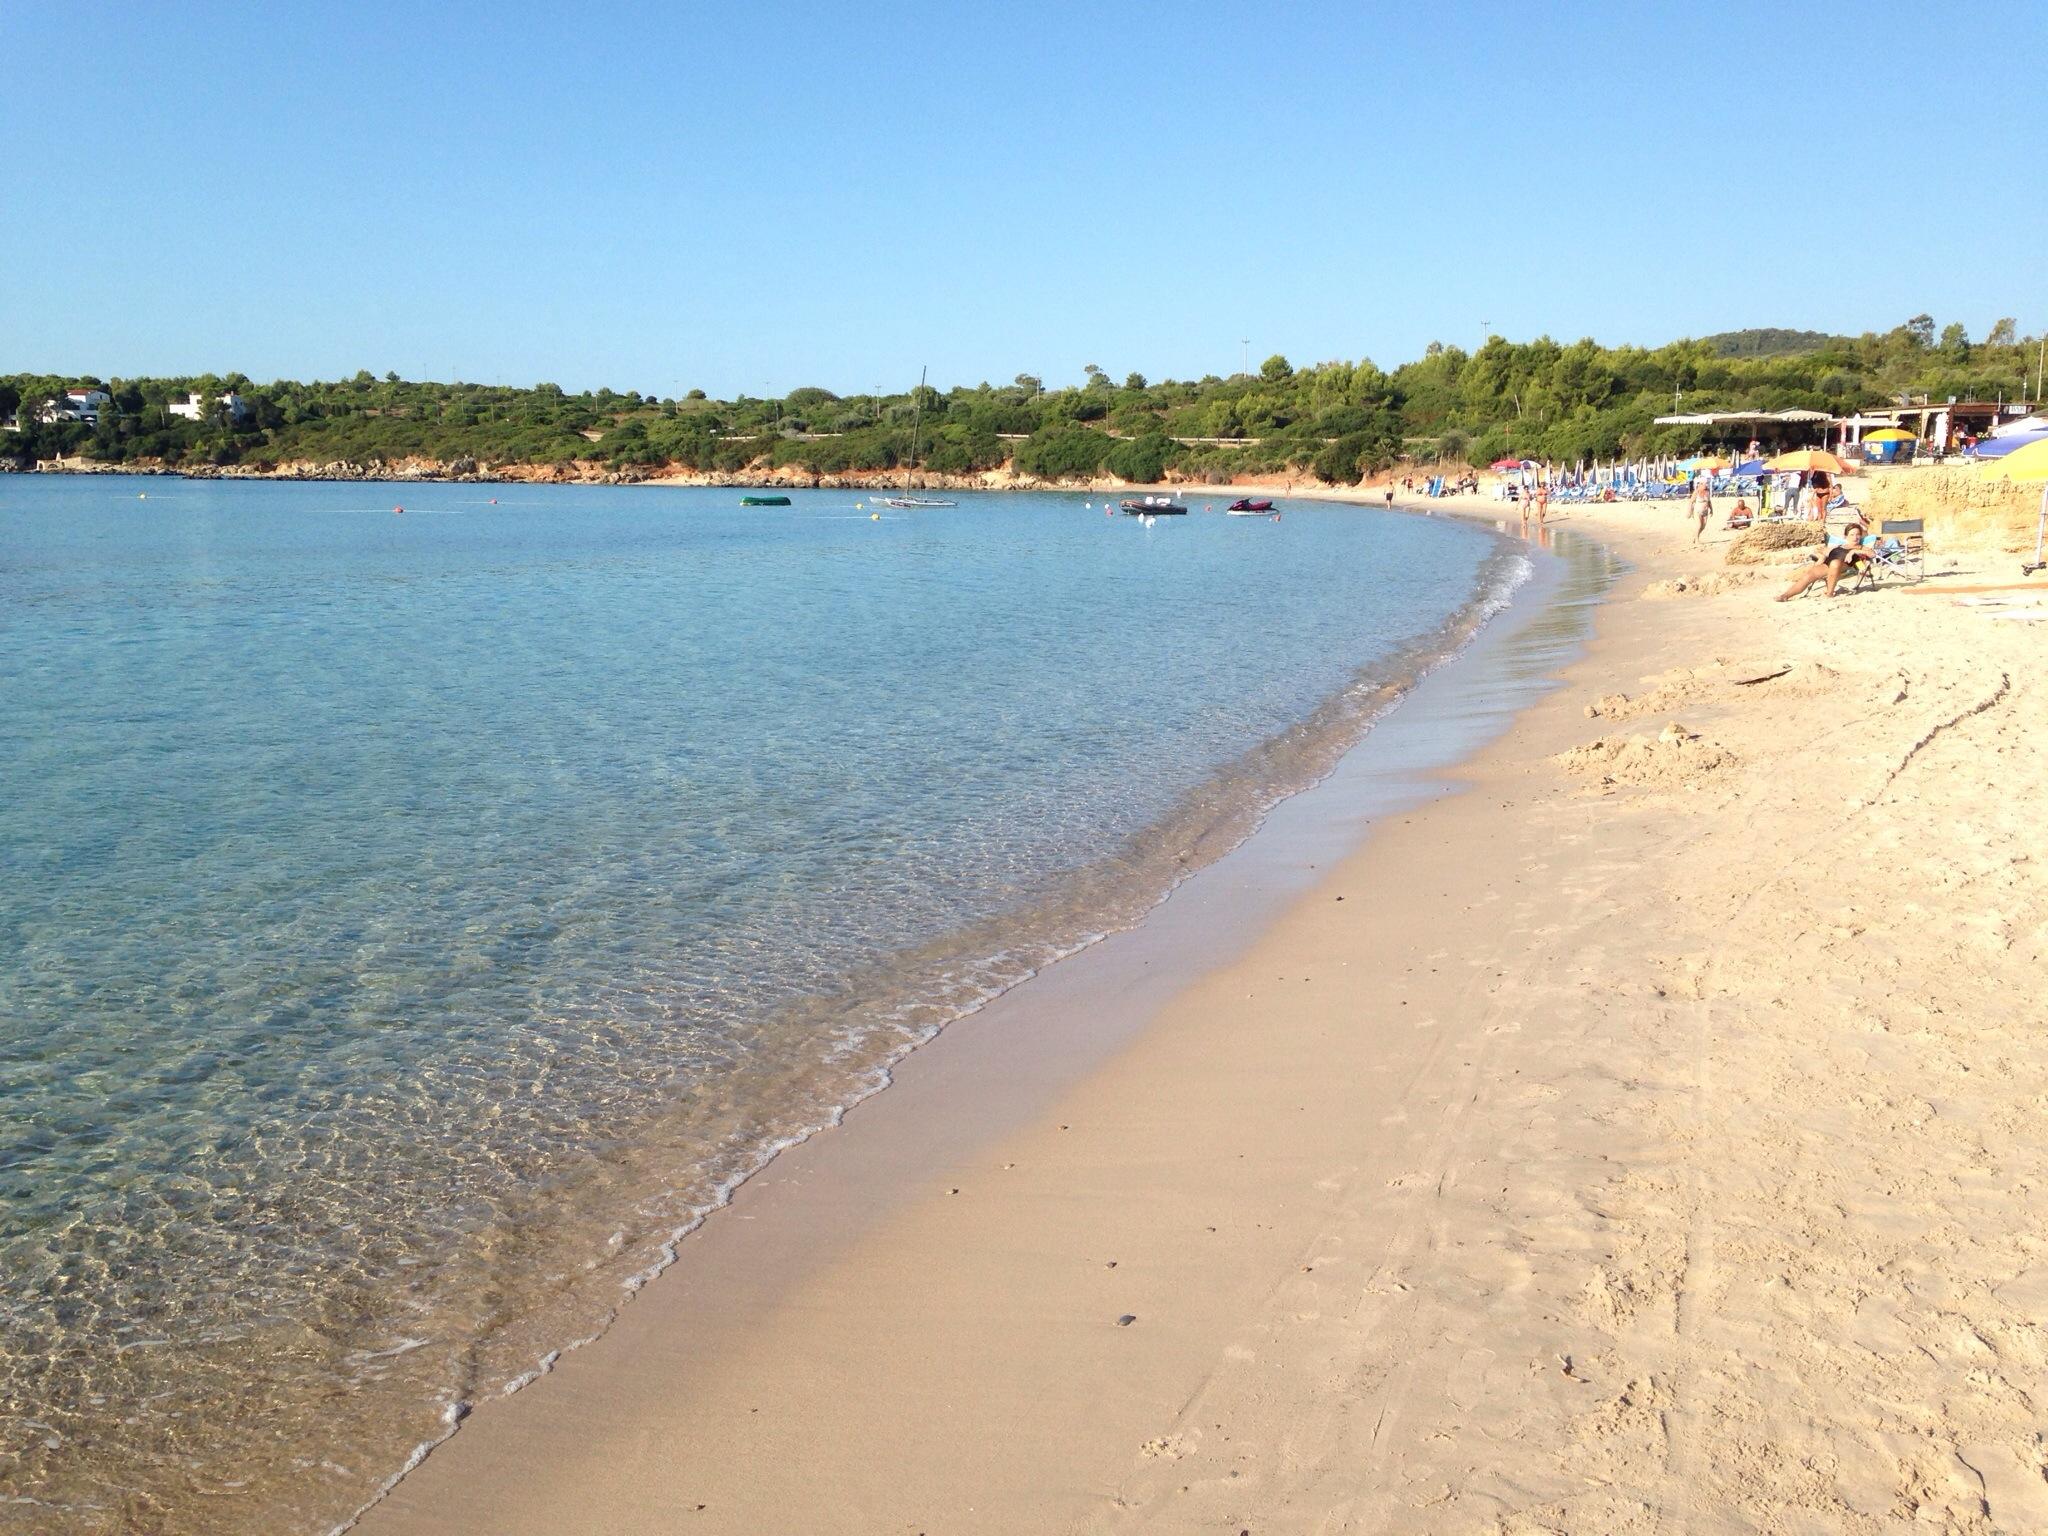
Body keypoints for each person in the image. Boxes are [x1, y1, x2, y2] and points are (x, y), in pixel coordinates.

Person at [1776, 520, 1873, 600]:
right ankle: (1785, 595)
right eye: (1852, 534)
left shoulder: (1862, 547)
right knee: (1809, 575)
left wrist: (1854, 551)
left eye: (1858, 534)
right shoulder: (1839, 546)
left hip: (1846, 567)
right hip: (1828, 565)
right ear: (1845, 536)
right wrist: (1822, 556)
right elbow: (1823, 551)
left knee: (1835, 563)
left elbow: (1872, 554)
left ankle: (1829, 593)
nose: (1855, 537)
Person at [1689, 472, 1713, 541]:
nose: (1706, 485)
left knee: (1703, 526)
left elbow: (1709, 501)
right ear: (1700, 484)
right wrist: (1690, 511)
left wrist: (1712, 510)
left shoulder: (1707, 491)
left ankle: (1695, 536)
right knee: (1699, 525)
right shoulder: (1696, 492)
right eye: (1705, 484)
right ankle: (1697, 540)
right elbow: (1691, 502)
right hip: (1698, 511)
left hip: (1705, 511)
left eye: (1706, 484)